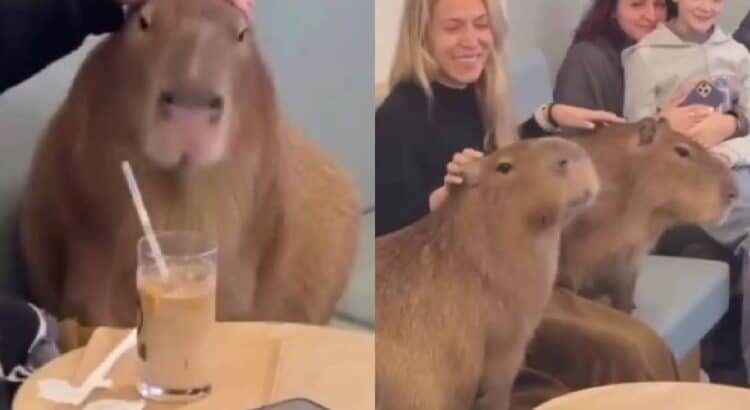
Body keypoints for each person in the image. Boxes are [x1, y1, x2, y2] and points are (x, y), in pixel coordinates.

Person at [376, 0, 679, 408]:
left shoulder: (477, 92)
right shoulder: (399, 115)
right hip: (466, 300)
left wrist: (549, 117)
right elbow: (387, 233)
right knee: (627, 353)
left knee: (640, 348)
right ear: (423, 36)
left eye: (480, 25)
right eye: (453, 28)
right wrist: (445, 199)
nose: (471, 41)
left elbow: (504, 157)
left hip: (515, 279)